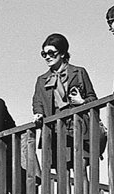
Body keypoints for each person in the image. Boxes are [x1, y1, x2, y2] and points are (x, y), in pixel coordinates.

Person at [31, 33, 101, 169]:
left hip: (78, 126)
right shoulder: (42, 80)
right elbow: (37, 102)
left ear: (62, 53)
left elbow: (93, 98)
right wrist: (38, 113)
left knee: (81, 169)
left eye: (51, 53)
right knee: (62, 172)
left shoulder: (79, 72)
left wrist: (82, 102)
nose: (47, 57)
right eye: (44, 54)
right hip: (55, 130)